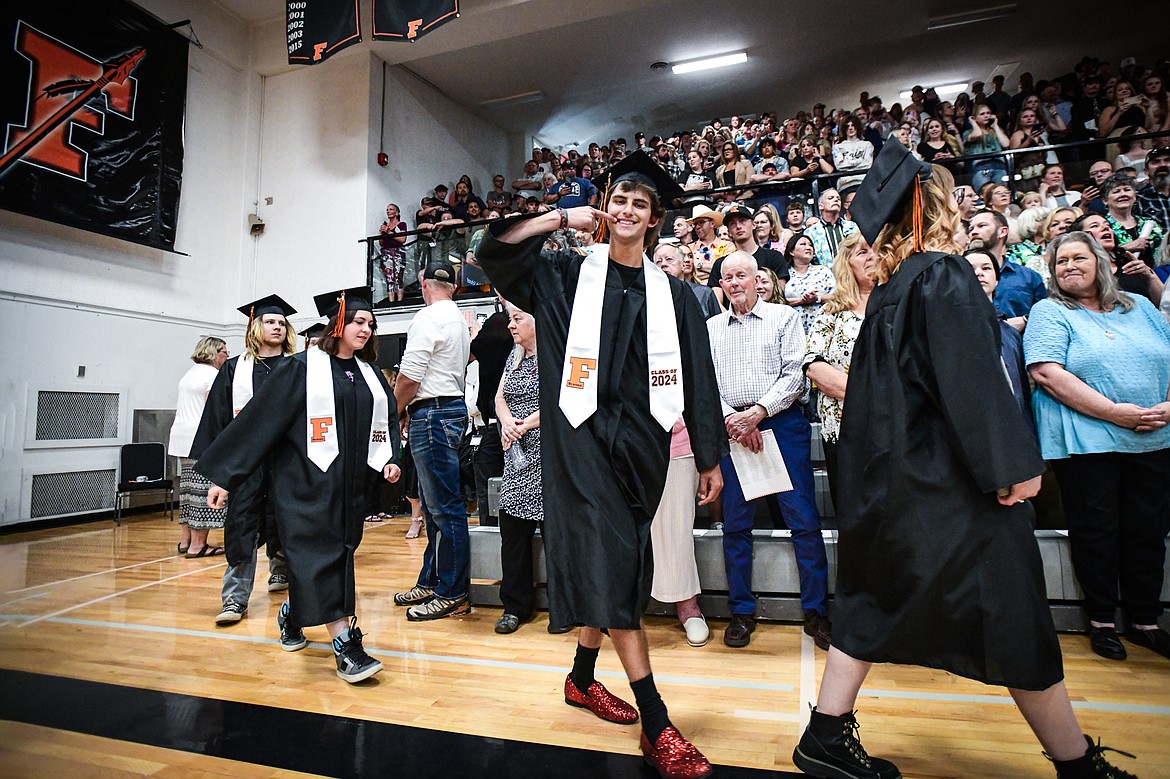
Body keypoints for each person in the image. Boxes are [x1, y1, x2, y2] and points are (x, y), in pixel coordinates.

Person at [792, 141, 1139, 779]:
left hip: (893, 481)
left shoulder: (891, 291)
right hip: (952, 486)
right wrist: (1009, 465)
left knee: (870, 596)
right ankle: (1075, 763)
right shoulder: (940, 276)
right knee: (1014, 608)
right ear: (930, 205)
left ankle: (825, 734)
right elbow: (972, 382)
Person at [476, 152, 727, 779]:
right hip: (579, 441)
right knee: (614, 558)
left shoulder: (676, 295)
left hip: (642, 449)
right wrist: (558, 217)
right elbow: (494, 252)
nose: (626, 210)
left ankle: (583, 678)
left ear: (654, 220)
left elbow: (697, 375)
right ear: (605, 207)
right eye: (619, 199)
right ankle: (658, 722)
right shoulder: (562, 275)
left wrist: (709, 457)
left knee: (612, 562)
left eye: (640, 204)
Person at [199, 287, 401, 684]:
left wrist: (390, 458)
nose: (367, 329)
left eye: (371, 324)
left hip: (347, 486)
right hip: (304, 483)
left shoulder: (369, 374)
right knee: (318, 555)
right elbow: (259, 421)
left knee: (335, 557)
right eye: (359, 322)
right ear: (337, 323)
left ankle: (292, 613)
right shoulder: (300, 368)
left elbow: (386, 421)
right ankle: (346, 646)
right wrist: (226, 475)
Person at [1025, 232, 1170, 663]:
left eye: (1078, 258)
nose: (1069, 266)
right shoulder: (1049, 310)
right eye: (1060, 261)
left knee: (1147, 531)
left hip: (1154, 435)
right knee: (1097, 530)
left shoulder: (1139, 306)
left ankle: (1145, 621)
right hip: (1089, 441)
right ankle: (1103, 620)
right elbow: (1048, 373)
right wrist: (1114, 412)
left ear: (1101, 261)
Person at [710, 250, 832, 652]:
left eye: (742, 275)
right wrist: (736, 419)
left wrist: (758, 413)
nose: (736, 283)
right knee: (736, 525)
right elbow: (705, 383)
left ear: (757, 278)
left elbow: (796, 373)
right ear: (722, 285)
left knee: (804, 521)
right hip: (732, 431)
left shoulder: (785, 317)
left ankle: (816, 611)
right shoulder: (711, 328)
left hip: (780, 424)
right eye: (728, 277)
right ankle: (741, 611)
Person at [191, 296, 297, 626]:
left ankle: (282, 573)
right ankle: (234, 598)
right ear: (255, 326)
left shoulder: (297, 367)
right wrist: (220, 476)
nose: (277, 326)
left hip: (287, 462)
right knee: (241, 526)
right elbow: (218, 422)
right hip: (246, 464)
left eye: (281, 322)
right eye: (270, 321)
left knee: (287, 521)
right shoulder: (235, 369)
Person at [392, 262, 473, 621]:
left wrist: (393, 411)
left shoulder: (426, 319)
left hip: (433, 414)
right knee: (438, 506)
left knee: (443, 509)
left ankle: (452, 591)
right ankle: (432, 579)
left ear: (424, 285)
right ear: (453, 286)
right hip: (452, 409)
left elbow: (410, 376)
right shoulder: (458, 318)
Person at [803, 233, 873, 509]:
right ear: (847, 263)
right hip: (844, 432)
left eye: (876, 250)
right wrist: (870, 398)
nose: (871, 257)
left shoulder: (900, 304)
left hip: (896, 431)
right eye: (862, 252)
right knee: (852, 513)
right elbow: (814, 366)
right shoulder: (832, 311)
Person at [492, 304, 545, 634]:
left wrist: (523, 425)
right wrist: (508, 422)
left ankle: (568, 606)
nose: (511, 324)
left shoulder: (554, 354)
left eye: (517, 318)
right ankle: (515, 606)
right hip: (516, 456)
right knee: (512, 534)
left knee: (557, 536)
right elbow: (499, 398)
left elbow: (558, 399)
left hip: (546, 453)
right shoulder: (513, 357)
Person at [168, 336, 228, 557]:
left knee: (186, 492)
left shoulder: (189, 374)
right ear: (214, 352)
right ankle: (198, 545)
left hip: (182, 437)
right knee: (202, 492)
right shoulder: (212, 375)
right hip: (200, 438)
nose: (227, 356)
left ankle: (185, 541)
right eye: (224, 352)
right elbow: (217, 410)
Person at [468, 308, 512, 527]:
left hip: (499, 421)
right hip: (496, 417)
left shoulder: (499, 323)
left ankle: (490, 529)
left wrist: (475, 336)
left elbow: (471, 351)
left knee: (489, 483)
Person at [707, 204, 790, 305]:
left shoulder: (774, 257)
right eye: (733, 223)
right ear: (728, 231)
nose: (738, 226)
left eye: (742, 221)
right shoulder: (721, 264)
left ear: (754, 225)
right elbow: (717, 304)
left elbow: (779, 296)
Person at [1103, 173, 1164, 266]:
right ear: (1105, 200)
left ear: (1135, 196)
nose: (1123, 194)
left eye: (1127, 190)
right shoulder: (1102, 227)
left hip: (1155, 277)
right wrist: (1125, 248)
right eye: (1116, 192)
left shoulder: (1151, 224)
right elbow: (1096, 256)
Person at [783, 233, 836, 335]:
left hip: (821, 328)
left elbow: (837, 296)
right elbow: (776, 300)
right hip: (792, 330)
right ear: (791, 251)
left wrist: (818, 298)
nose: (808, 247)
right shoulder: (784, 274)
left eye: (810, 245)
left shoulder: (823, 271)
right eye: (803, 244)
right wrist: (801, 300)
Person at [654, 243, 721, 319]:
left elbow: (718, 326)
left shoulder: (703, 294)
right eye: (658, 262)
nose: (663, 264)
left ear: (683, 265)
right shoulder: (652, 297)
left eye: (669, 259)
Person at [804, 189, 859, 265]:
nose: (836, 200)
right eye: (831, 198)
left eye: (838, 199)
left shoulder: (852, 227)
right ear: (821, 206)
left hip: (850, 272)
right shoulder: (811, 232)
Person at [964, 103, 1010, 191]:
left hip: (999, 165)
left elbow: (1006, 144)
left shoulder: (995, 131)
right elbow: (978, 134)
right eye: (982, 114)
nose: (986, 116)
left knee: (1001, 191)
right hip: (981, 167)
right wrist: (973, 123)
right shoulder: (968, 133)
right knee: (984, 194)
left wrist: (995, 125)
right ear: (974, 117)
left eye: (988, 113)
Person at [687, 204, 733, 285]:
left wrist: (700, 266)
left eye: (701, 222)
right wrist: (716, 271)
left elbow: (728, 271)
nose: (697, 226)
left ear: (712, 224)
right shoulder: (689, 248)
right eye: (695, 224)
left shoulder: (728, 246)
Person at [377, 203, 408, 304]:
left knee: (398, 276)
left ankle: (399, 301)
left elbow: (402, 239)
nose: (388, 211)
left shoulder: (401, 224)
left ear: (397, 212)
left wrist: (389, 232)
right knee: (389, 277)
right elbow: (381, 243)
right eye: (387, 210)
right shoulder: (385, 225)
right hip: (387, 252)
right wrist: (382, 233)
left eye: (391, 209)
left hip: (398, 251)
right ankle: (391, 302)